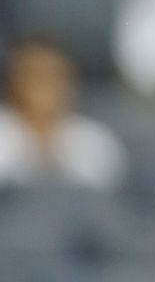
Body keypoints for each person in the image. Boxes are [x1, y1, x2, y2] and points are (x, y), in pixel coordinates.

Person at [0, 38, 126, 189]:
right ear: (13, 83)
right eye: (34, 74)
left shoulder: (96, 140)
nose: (44, 84)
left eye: (54, 75)